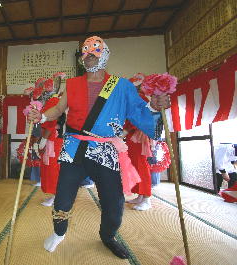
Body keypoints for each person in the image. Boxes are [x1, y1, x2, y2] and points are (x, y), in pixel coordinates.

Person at [27, 36, 170, 259]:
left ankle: (108, 235)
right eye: (84, 52)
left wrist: (154, 106)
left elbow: (140, 111)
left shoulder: (122, 86)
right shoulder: (72, 84)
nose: (88, 56)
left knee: (114, 201)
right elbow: (57, 110)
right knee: (63, 196)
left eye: (94, 51)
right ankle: (59, 232)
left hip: (105, 150)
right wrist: (42, 115)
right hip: (74, 146)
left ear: (105, 54)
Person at [39, 74, 65, 207]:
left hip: (53, 138)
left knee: (53, 167)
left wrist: (44, 139)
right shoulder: (52, 100)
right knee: (50, 167)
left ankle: (56, 195)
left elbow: (51, 121)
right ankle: (54, 194)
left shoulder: (54, 101)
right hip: (51, 137)